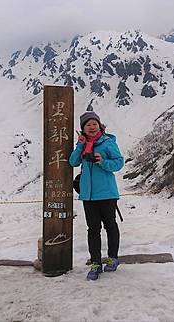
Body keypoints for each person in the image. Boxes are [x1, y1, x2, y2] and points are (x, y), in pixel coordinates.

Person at [69, 111, 124, 280]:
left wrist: (103, 162)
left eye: (94, 124)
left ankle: (113, 258)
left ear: (99, 125)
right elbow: (73, 162)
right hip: (88, 195)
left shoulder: (108, 143)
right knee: (93, 230)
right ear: (83, 129)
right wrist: (80, 145)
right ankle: (95, 263)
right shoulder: (83, 145)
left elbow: (119, 162)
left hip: (107, 193)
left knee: (110, 226)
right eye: (88, 125)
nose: (92, 127)